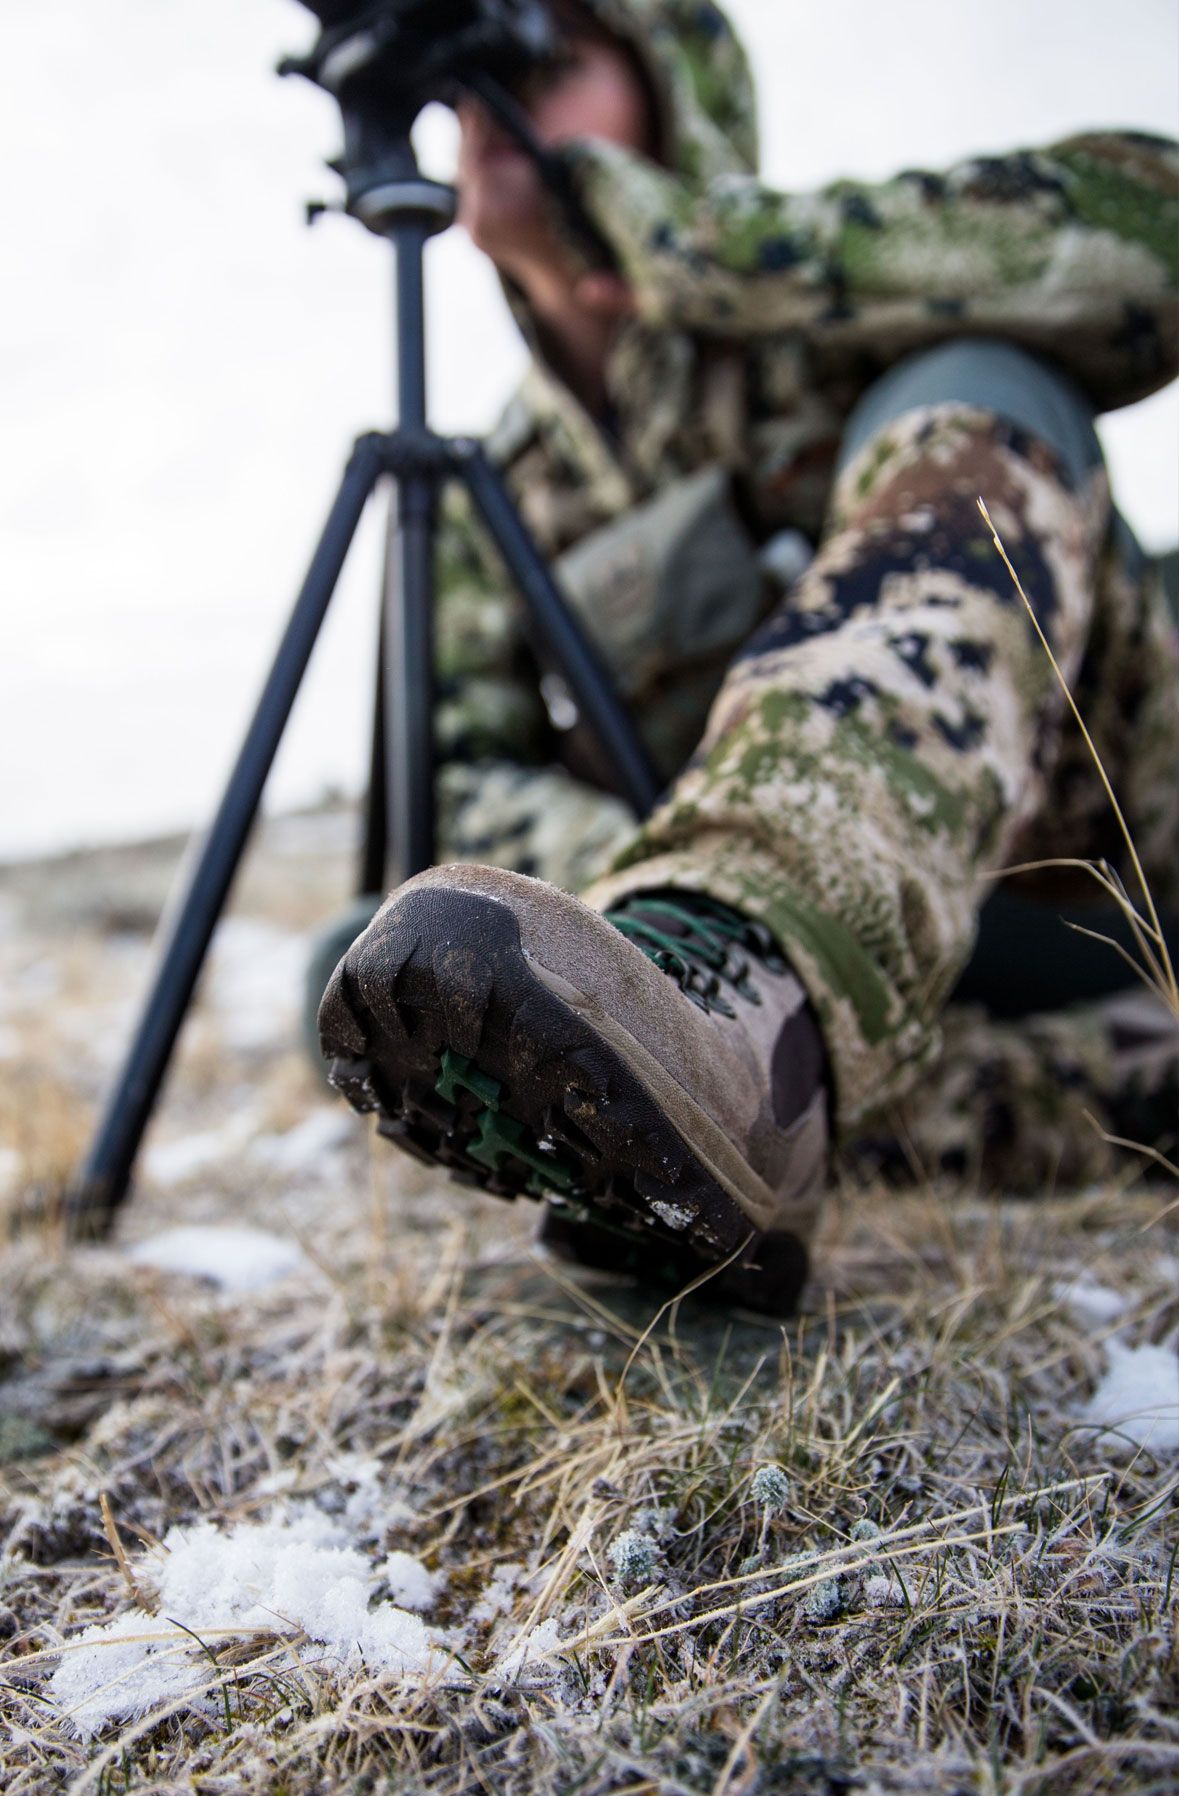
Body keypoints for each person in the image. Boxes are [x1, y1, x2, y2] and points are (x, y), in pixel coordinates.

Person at [314, 0, 1179, 1313]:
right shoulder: (505, 486)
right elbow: (456, 773)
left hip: (1089, 885)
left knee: (973, 383)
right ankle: (808, 1063)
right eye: (467, 86)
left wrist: (707, 248)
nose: (491, 112)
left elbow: (1149, 235)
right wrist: (632, 889)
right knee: (376, 952)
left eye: (541, 62)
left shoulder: (814, 296)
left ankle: (745, 1003)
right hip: (861, 972)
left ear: (678, 101)